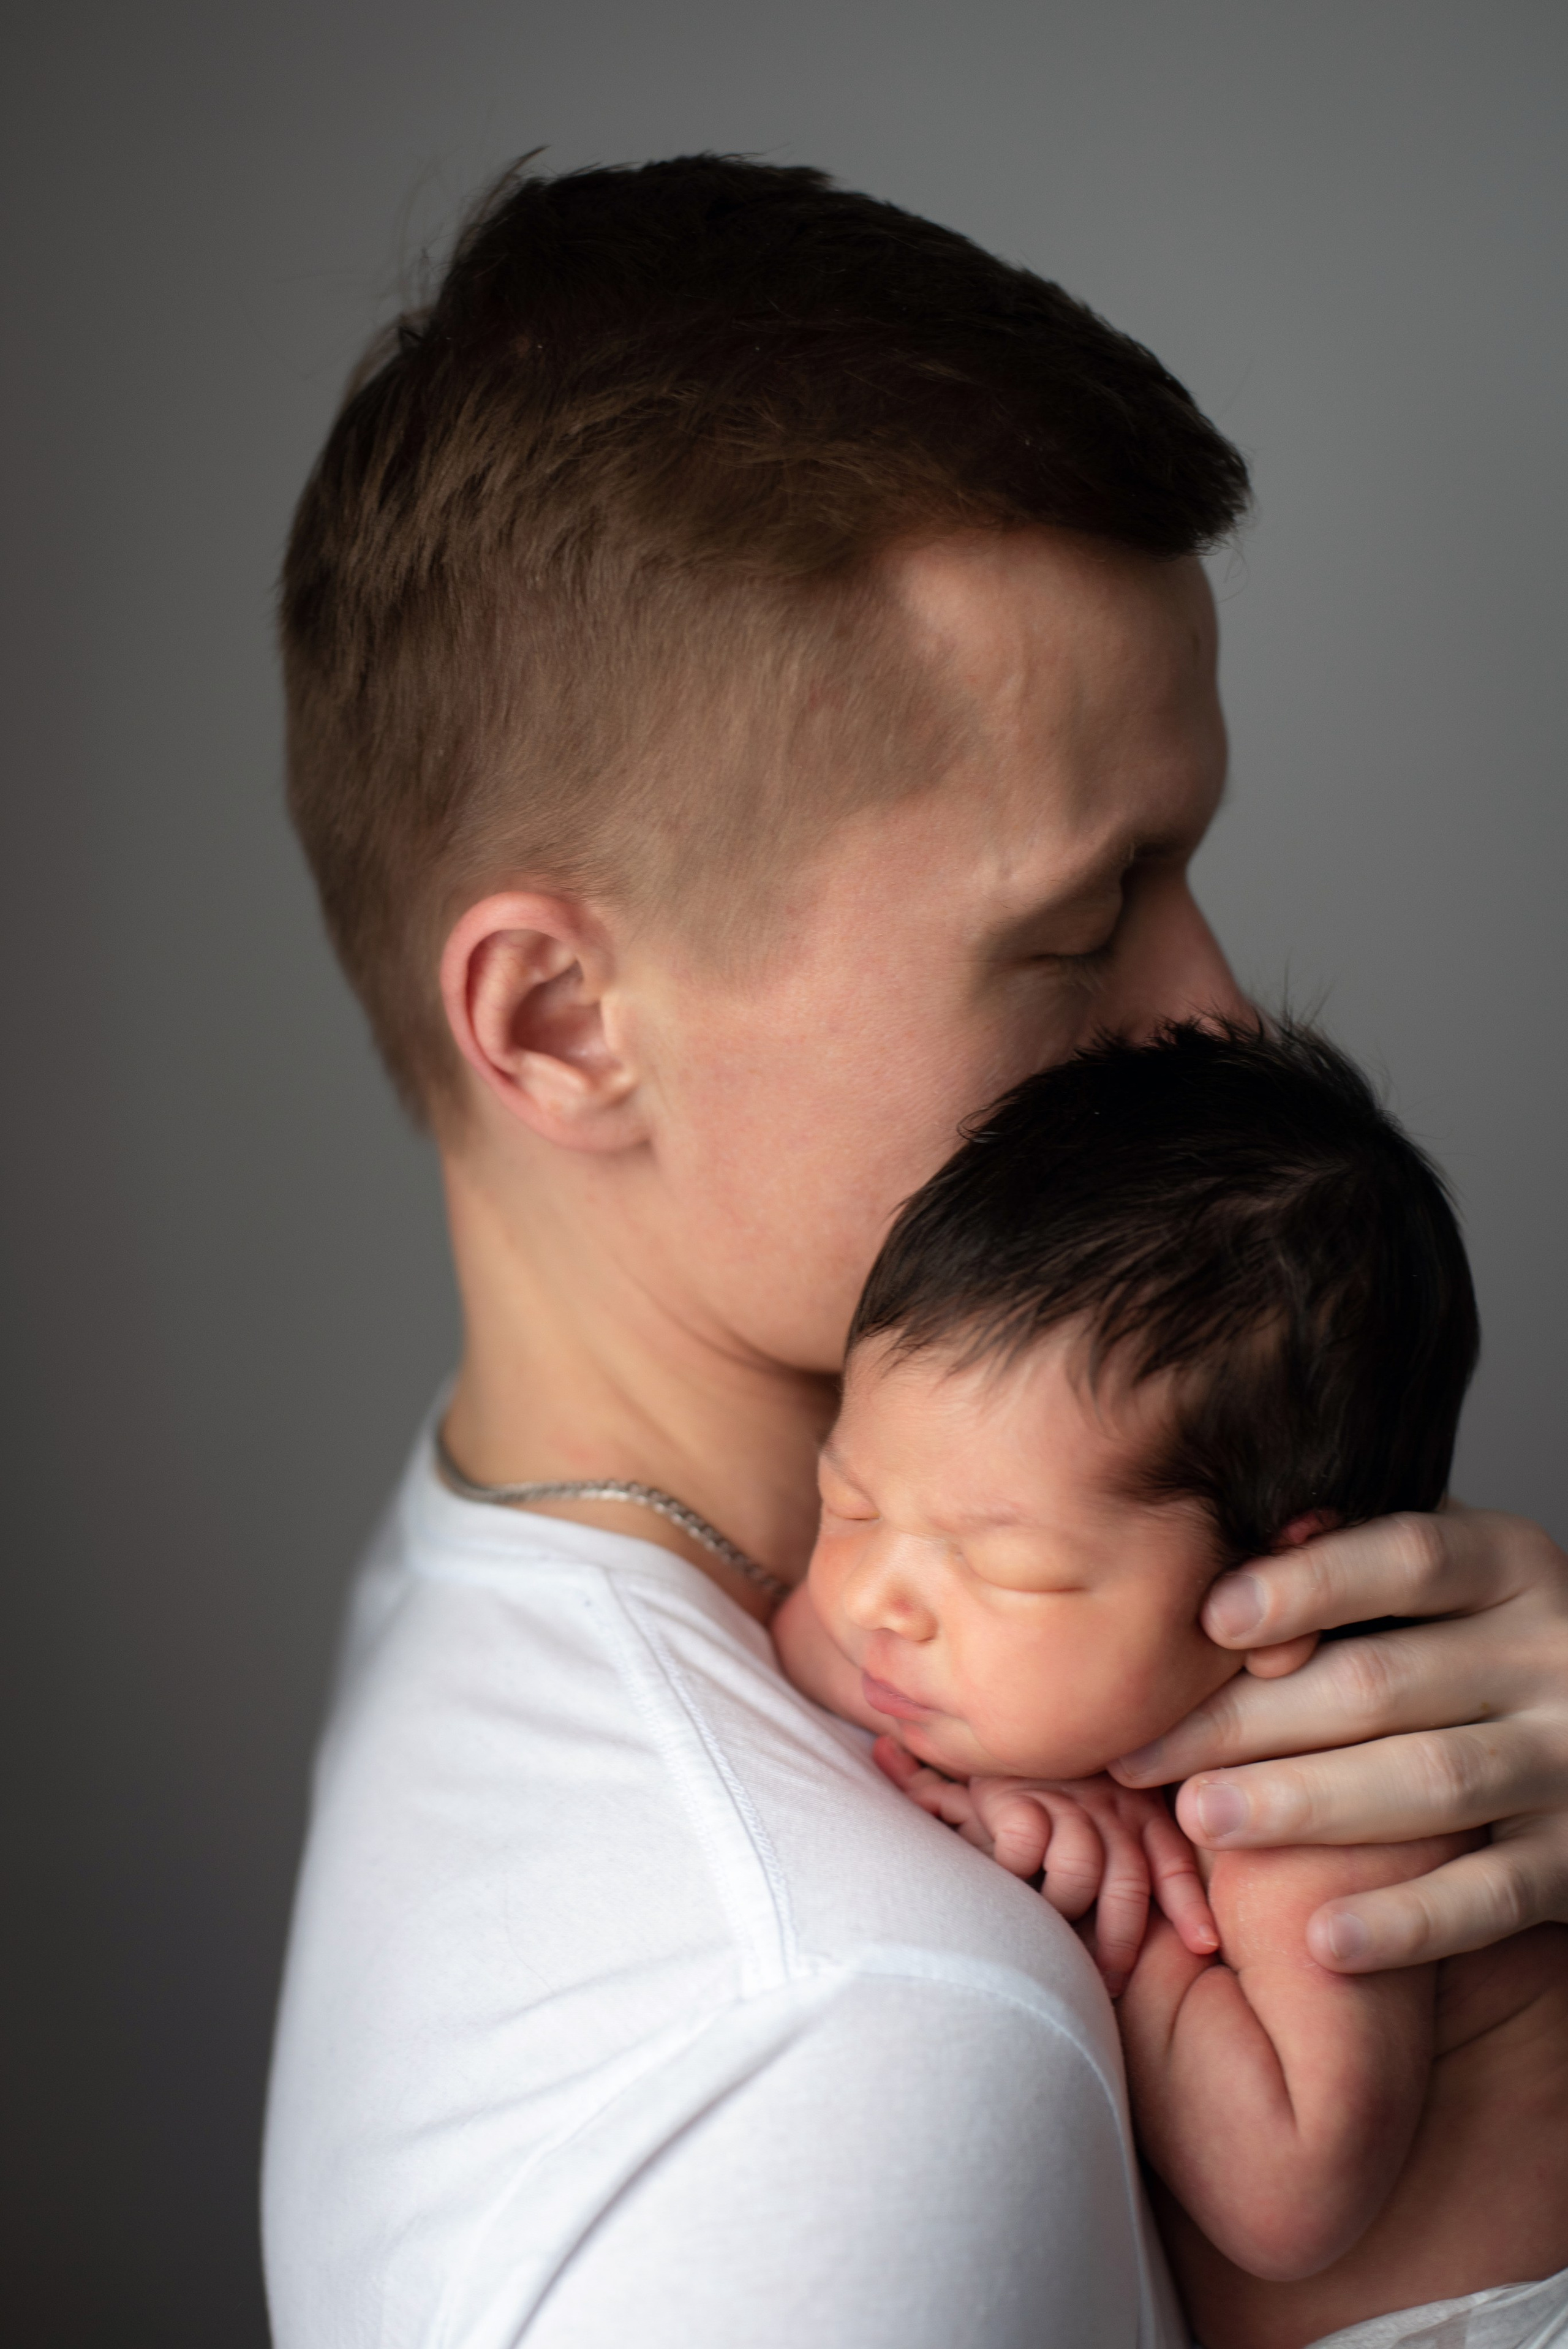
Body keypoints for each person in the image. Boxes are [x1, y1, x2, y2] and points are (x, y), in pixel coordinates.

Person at [262, 155, 1568, 2348]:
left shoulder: (496, 1552)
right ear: (565, 1021)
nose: (1217, 1007)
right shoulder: (863, 2046)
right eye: (1081, 919)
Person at [774, 1019, 1568, 2349]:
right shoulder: (951, 1631)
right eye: (847, 1502)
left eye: (1008, 1570)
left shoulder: (1330, 1794)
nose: (871, 1602)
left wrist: (1116, 1913)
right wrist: (1006, 1771)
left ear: (1275, 1594)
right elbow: (809, 1638)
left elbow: (1289, 2194)